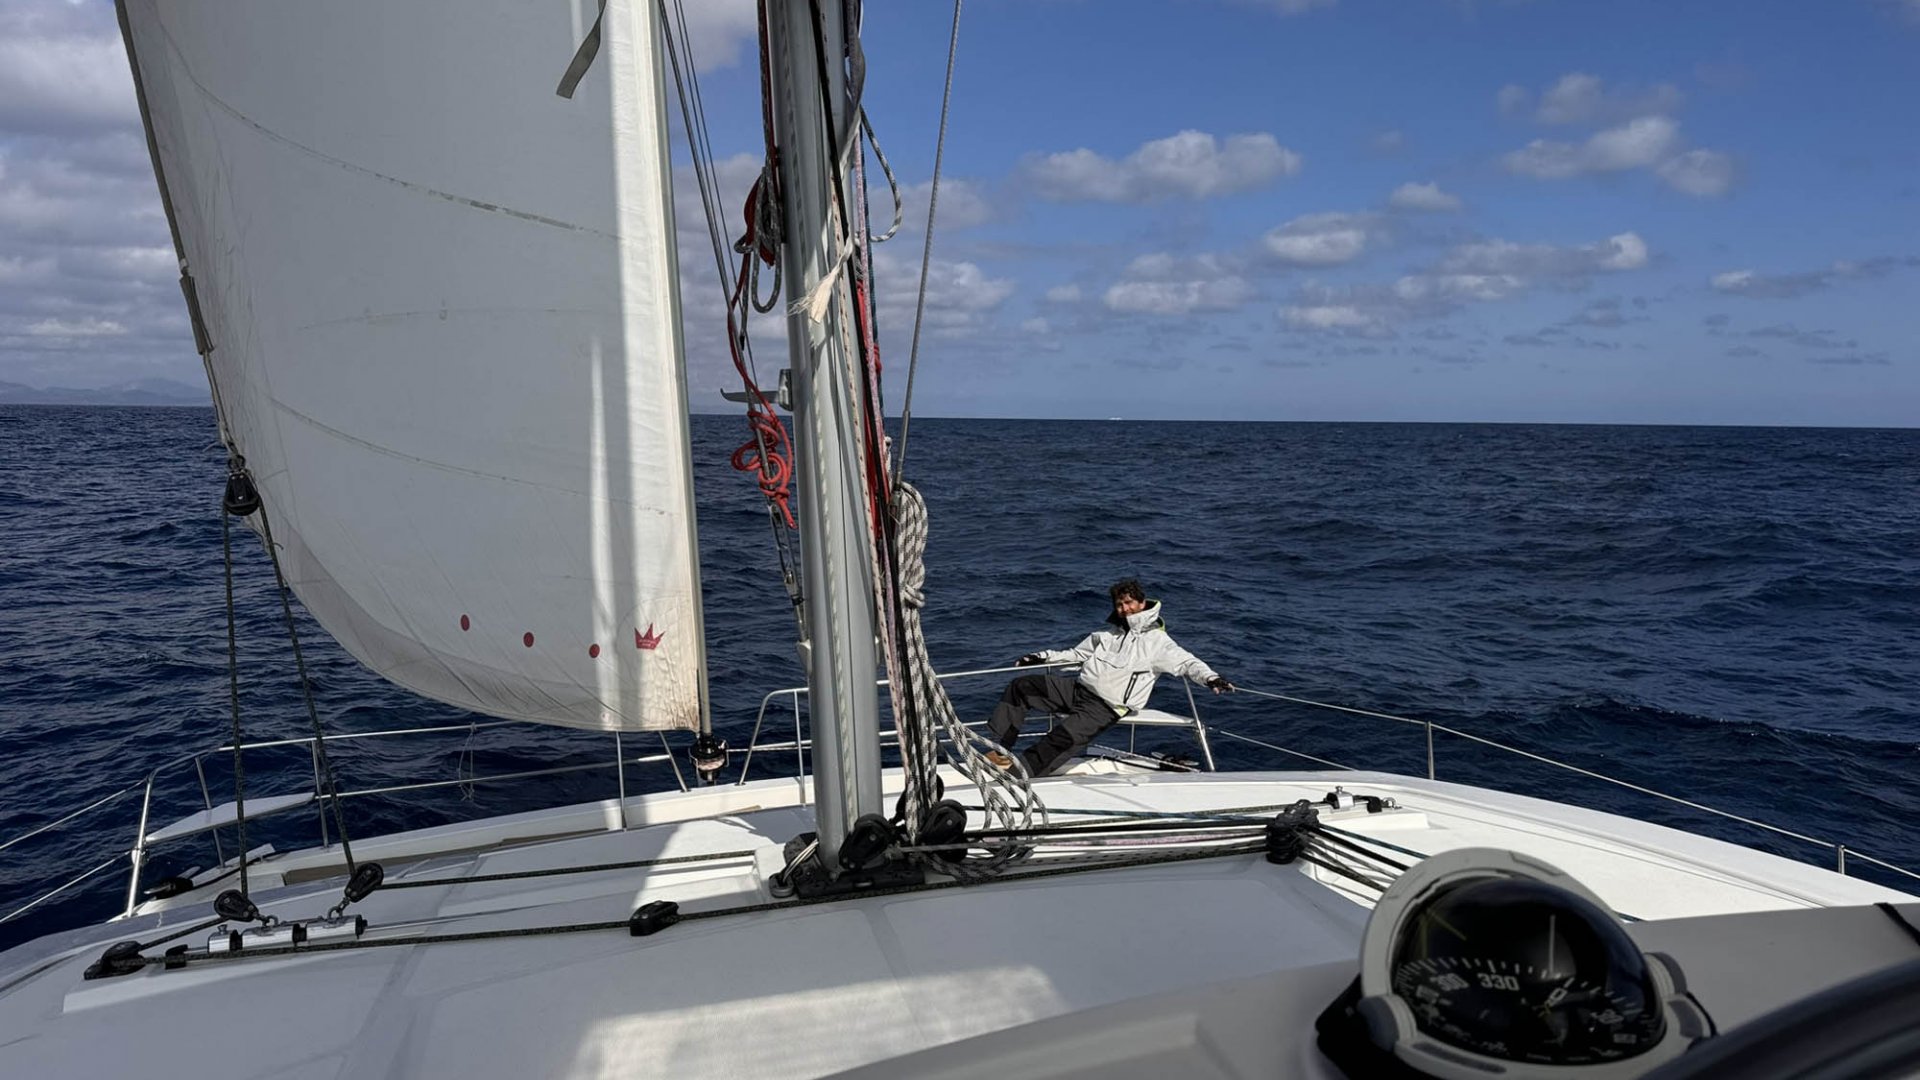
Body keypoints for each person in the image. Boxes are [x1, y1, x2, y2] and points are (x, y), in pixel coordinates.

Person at [986, 579, 1232, 777]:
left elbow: (1187, 663)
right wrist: (1041, 657)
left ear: (1142, 603)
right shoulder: (1107, 634)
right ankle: (999, 751)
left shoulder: (1157, 642)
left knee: (1059, 739)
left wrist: (1211, 679)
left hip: (1105, 707)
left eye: (1128, 603)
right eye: (1119, 604)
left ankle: (1016, 780)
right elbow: (1076, 654)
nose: (1124, 609)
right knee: (1023, 686)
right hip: (1077, 690)